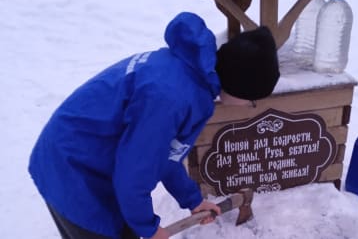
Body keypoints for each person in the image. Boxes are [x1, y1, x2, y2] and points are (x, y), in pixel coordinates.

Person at [28, 12, 280, 239]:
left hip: (83, 157)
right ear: (239, 84)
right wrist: (148, 228)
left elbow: (164, 155)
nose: (250, 105)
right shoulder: (173, 98)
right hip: (73, 170)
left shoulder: (190, 75)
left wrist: (192, 200)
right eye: (253, 99)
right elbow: (134, 174)